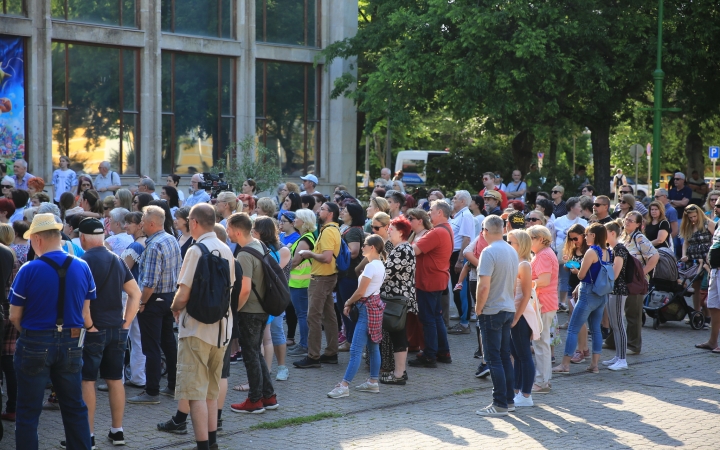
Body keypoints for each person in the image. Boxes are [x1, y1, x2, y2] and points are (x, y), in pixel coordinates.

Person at [8, 213, 96, 450]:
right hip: (72, 341)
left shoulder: (28, 269)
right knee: (75, 407)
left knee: (28, 411)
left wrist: (29, 332)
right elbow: (85, 313)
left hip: (35, 341)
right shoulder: (82, 266)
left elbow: (14, 315)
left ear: (37, 239)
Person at [170, 204, 235, 450]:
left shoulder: (195, 251)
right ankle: (213, 442)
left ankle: (202, 446)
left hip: (196, 328)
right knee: (211, 389)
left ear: (194, 222)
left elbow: (183, 292)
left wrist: (174, 308)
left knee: (194, 391)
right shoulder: (226, 249)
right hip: (221, 329)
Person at [77, 218, 141, 447]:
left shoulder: (81, 261)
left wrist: (89, 326)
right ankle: (118, 431)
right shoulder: (117, 260)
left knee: (87, 381)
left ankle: (89, 435)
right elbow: (135, 293)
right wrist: (126, 323)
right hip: (116, 328)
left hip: (92, 330)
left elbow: (79, 301)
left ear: (82, 238)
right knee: (115, 380)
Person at [128, 205, 181, 404]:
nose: (140, 223)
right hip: (169, 297)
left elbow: (149, 282)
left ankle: (151, 392)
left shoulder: (153, 245)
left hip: (153, 300)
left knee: (150, 347)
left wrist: (141, 302)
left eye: (142, 220)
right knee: (168, 342)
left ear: (151, 223)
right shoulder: (171, 239)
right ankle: (173, 385)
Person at [227, 212, 279, 414]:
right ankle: (269, 396)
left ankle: (255, 400)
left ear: (238, 231)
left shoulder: (244, 254)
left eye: (229, 229)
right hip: (263, 308)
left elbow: (245, 289)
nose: (227, 232)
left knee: (250, 355)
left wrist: (234, 310)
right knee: (256, 353)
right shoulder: (259, 245)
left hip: (250, 311)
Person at [326, 235, 387, 399]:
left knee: (355, 350)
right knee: (373, 347)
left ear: (372, 247)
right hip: (373, 307)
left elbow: (361, 291)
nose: (362, 247)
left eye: (365, 245)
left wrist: (347, 302)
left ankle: (344, 386)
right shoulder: (379, 264)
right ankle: (373, 382)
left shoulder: (370, 267)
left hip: (366, 309)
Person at [474, 216, 519, 417]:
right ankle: (508, 401)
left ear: (486, 230)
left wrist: (478, 307)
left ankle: (500, 403)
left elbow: (483, 285)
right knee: (503, 356)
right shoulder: (511, 250)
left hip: (492, 310)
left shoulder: (488, 251)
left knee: (493, 359)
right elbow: (514, 284)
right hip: (507, 308)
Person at [553, 223, 611, 375]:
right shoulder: (607, 251)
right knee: (596, 330)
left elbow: (581, 275)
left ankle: (565, 365)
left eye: (587, 234)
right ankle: (594, 365)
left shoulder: (591, 252)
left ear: (594, 235)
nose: (585, 237)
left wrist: (575, 270)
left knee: (573, 329)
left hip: (587, 293)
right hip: (600, 294)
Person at [292, 202, 341, 368]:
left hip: (321, 279)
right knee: (329, 316)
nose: (319, 211)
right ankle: (331, 352)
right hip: (327, 277)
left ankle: (313, 357)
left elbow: (326, 257)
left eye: (323, 209)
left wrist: (309, 254)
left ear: (330, 213)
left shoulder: (328, 231)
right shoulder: (330, 229)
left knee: (313, 317)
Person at [604, 212, 658, 354]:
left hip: (634, 282)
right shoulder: (622, 235)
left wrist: (642, 273)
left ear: (638, 224)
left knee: (632, 313)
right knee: (616, 312)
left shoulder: (639, 237)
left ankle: (634, 345)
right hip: (621, 280)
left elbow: (655, 255)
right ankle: (613, 341)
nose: (627, 222)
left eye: (631, 221)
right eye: (626, 219)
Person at [409, 200, 453, 368]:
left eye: (431, 210)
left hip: (429, 280)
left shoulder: (437, 232)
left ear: (440, 213)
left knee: (428, 319)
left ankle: (430, 355)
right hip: (437, 278)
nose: (428, 213)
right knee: (435, 317)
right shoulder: (445, 229)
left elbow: (414, 250)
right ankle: (443, 351)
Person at [376, 216, 416, 385]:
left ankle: (399, 374)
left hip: (397, 299)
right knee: (397, 334)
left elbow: (386, 272)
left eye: (391, 229)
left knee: (398, 334)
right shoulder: (401, 248)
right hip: (396, 298)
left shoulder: (403, 249)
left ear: (400, 233)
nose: (388, 231)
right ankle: (399, 372)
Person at [253, 217, 291, 381]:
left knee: (276, 331)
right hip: (263, 297)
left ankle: (282, 367)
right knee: (266, 336)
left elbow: (271, 271)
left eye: (254, 229)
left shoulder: (282, 249)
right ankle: (264, 371)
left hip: (275, 297)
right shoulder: (258, 247)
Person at [506, 229, 540, 407]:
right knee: (517, 354)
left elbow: (526, 295)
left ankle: (526, 394)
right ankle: (517, 390)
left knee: (524, 354)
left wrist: (516, 318)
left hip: (522, 313)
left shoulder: (524, 265)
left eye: (511, 242)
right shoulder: (516, 262)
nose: (508, 244)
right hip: (514, 312)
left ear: (520, 245)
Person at [527, 225, 559, 393]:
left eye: (530, 238)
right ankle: (545, 380)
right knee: (542, 342)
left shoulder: (543, 255)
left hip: (543, 302)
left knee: (540, 343)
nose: (528, 242)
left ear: (540, 239)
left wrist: (526, 282)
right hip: (545, 302)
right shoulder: (544, 253)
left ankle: (541, 382)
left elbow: (544, 280)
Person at [119, 212, 147, 391]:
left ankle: (118, 377)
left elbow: (122, 270)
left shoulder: (136, 246)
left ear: (139, 225)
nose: (126, 226)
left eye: (129, 223)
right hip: (138, 294)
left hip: (128, 295)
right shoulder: (145, 244)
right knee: (137, 338)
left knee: (123, 336)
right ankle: (138, 376)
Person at [286, 209, 317, 358]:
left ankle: (304, 345)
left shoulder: (305, 239)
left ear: (304, 222)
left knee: (302, 315)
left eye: (297, 218)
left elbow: (295, 261)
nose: (294, 220)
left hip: (301, 283)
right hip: (299, 282)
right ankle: (303, 343)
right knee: (302, 314)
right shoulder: (304, 237)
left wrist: (281, 269)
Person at [336, 203, 366, 350]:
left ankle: (352, 341)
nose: (342, 212)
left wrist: (337, 251)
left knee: (349, 308)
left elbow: (353, 251)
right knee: (345, 307)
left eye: (345, 211)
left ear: (352, 215)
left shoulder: (353, 231)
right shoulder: (350, 229)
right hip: (346, 274)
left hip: (349, 275)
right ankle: (350, 339)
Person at [602, 220, 631, 371]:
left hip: (619, 291)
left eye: (605, 232)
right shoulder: (613, 249)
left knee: (619, 324)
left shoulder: (619, 249)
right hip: (612, 290)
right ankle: (618, 356)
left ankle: (622, 359)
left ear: (612, 233)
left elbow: (615, 273)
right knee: (614, 324)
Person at [680, 204, 715, 320]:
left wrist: (711, 254)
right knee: (695, 288)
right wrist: (684, 255)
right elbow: (686, 242)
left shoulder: (707, 223)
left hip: (707, 262)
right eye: (690, 217)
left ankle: (707, 314)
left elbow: (717, 238)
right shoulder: (689, 226)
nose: (693, 219)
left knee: (704, 290)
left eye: (694, 216)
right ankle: (696, 313)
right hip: (693, 261)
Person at [447, 190, 475, 334]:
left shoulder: (466, 216)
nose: (453, 200)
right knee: (456, 288)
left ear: (463, 201)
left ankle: (464, 323)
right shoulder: (457, 216)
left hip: (460, 255)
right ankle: (462, 321)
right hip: (454, 255)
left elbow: (466, 239)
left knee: (461, 289)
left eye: (455, 198)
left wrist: (460, 260)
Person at [553, 197, 588, 308]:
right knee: (563, 277)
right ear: (572, 207)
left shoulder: (583, 222)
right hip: (563, 252)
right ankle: (562, 302)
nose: (581, 208)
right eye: (579, 206)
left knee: (577, 277)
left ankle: (574, 303)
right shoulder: (558, 221)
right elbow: (553, 237)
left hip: (579, 254)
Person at [0, 225, 16, 422]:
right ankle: (13, 406)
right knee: (9, 358)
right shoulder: (13, 256)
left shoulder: (6, 254)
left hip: (6, 309)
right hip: (12, 308)